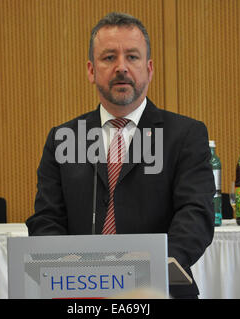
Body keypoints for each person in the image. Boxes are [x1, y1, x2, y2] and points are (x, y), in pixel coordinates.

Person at [26, 12, 215, 299]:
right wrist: (69, 270)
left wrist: (150, 269)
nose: (121, 68)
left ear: (149, 69)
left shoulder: (185, 135)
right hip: (80, 292)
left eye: (132, 57)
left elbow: (196, 214)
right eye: (109, 57)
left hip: (158, 290)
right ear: (91, 70)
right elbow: (47, 218)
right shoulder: (63, 138)